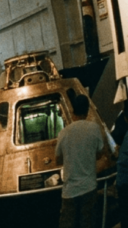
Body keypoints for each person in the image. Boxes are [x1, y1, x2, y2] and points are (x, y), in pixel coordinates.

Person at [55, 94, 107, 228]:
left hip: (69, 191)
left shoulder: (64, 133)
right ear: (88, 110)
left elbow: (58, 159)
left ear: (72, 110)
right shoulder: (94, 129)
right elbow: (100, 153)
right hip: (89, 188)